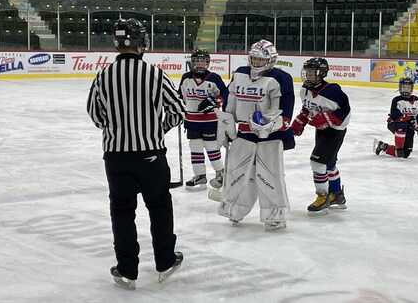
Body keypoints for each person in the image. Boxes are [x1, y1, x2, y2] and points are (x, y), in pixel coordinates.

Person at [86, 18, 185, 289]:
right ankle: (165, 261)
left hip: (116, 156)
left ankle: (127, 269)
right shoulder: (155, 74)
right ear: (143, 42)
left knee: (121, 210)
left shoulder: (103, 75)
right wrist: (158, 128)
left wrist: (115, 127)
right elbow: (178, 111)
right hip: (151, 155)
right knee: (159, 206)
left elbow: (95, 115)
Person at [217, 39, 295, 231]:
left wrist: (269, 125)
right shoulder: (240, 74)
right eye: (254, 58)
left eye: (260, 59)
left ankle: (275, 212)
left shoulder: (280, 78)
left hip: (270, 135)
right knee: (236, 171)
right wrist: (227, 122)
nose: (256, 62)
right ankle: (235, 206)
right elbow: (231, 101)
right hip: (243, 133)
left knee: (269, 175)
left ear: (271, 60)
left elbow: (283, 113)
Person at [290, 58, 350, 216]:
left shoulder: (333, 91)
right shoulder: (304, 89)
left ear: (321, 73)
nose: (308, 74)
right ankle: (337, 195)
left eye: (312, 72)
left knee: (317, 163)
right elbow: (307, 109)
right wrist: (299, 122)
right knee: (328, 164)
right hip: (321, 130)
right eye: (307, 71)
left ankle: (323, 197)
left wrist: (329, 119)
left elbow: (345, 111)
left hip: (335, 131)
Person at [177, 49, 228, 191]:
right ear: (192, 62)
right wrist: (177, 108)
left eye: (202, 60)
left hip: (210, 121)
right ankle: (200, 175)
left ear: (207, 62)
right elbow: (180, 95)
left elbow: (224, 94)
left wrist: (216, 100)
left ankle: (221, 173)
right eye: (197, 60)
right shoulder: (186, 77)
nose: (199, 63)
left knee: (212, 148)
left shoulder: (214, 78)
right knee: (195, 148)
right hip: (192, 121)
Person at [374, 77, 418, 158]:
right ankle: (398, 148)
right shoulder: (396, 100)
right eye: (404, 87)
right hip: (394, 124)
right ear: (400, 87)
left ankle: (383, 147)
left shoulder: (417, 100)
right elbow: (394, 116)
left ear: (411, 88)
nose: (406, 89)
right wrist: (408, 119)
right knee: (402, 126)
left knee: (405, 153)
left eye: (408, 87)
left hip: (409, 127)